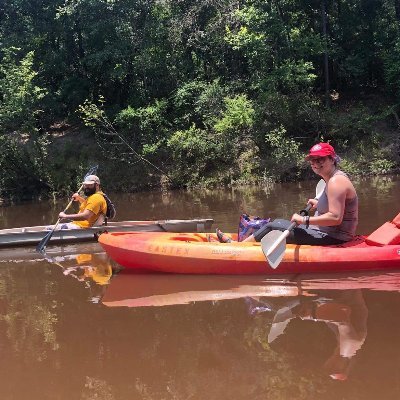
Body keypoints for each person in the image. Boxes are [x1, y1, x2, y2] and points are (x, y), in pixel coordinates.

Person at [217, 142, 358, 245]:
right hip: (326, 232)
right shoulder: (334, 178)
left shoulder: (335, 182)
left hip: (333, 237)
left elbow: (335, 218)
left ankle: (238, 248)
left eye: (321, 159)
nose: (316, 163)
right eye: (312, 160)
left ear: (332, 159)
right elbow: (334, 207)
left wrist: (304, 220)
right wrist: (319, 203)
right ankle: (251, 243)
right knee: (277, 222)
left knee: (272, 226)